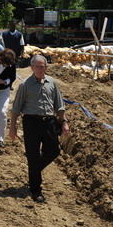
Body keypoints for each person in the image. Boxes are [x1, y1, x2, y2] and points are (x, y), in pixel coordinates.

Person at [9, 54, 70, 203]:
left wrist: (64, 122)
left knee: (53, 151)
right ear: (31, 67)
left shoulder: (52, 83)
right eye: (36, 66)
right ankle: (36, 190)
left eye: (42, 66)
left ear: (46, 67)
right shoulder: (25, 85)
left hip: (49, 122)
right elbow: (16, 108)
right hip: (31, 122)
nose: (39, 69)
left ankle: (34, 170)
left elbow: (59, 106)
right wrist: (12, 127)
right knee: (33, 155)